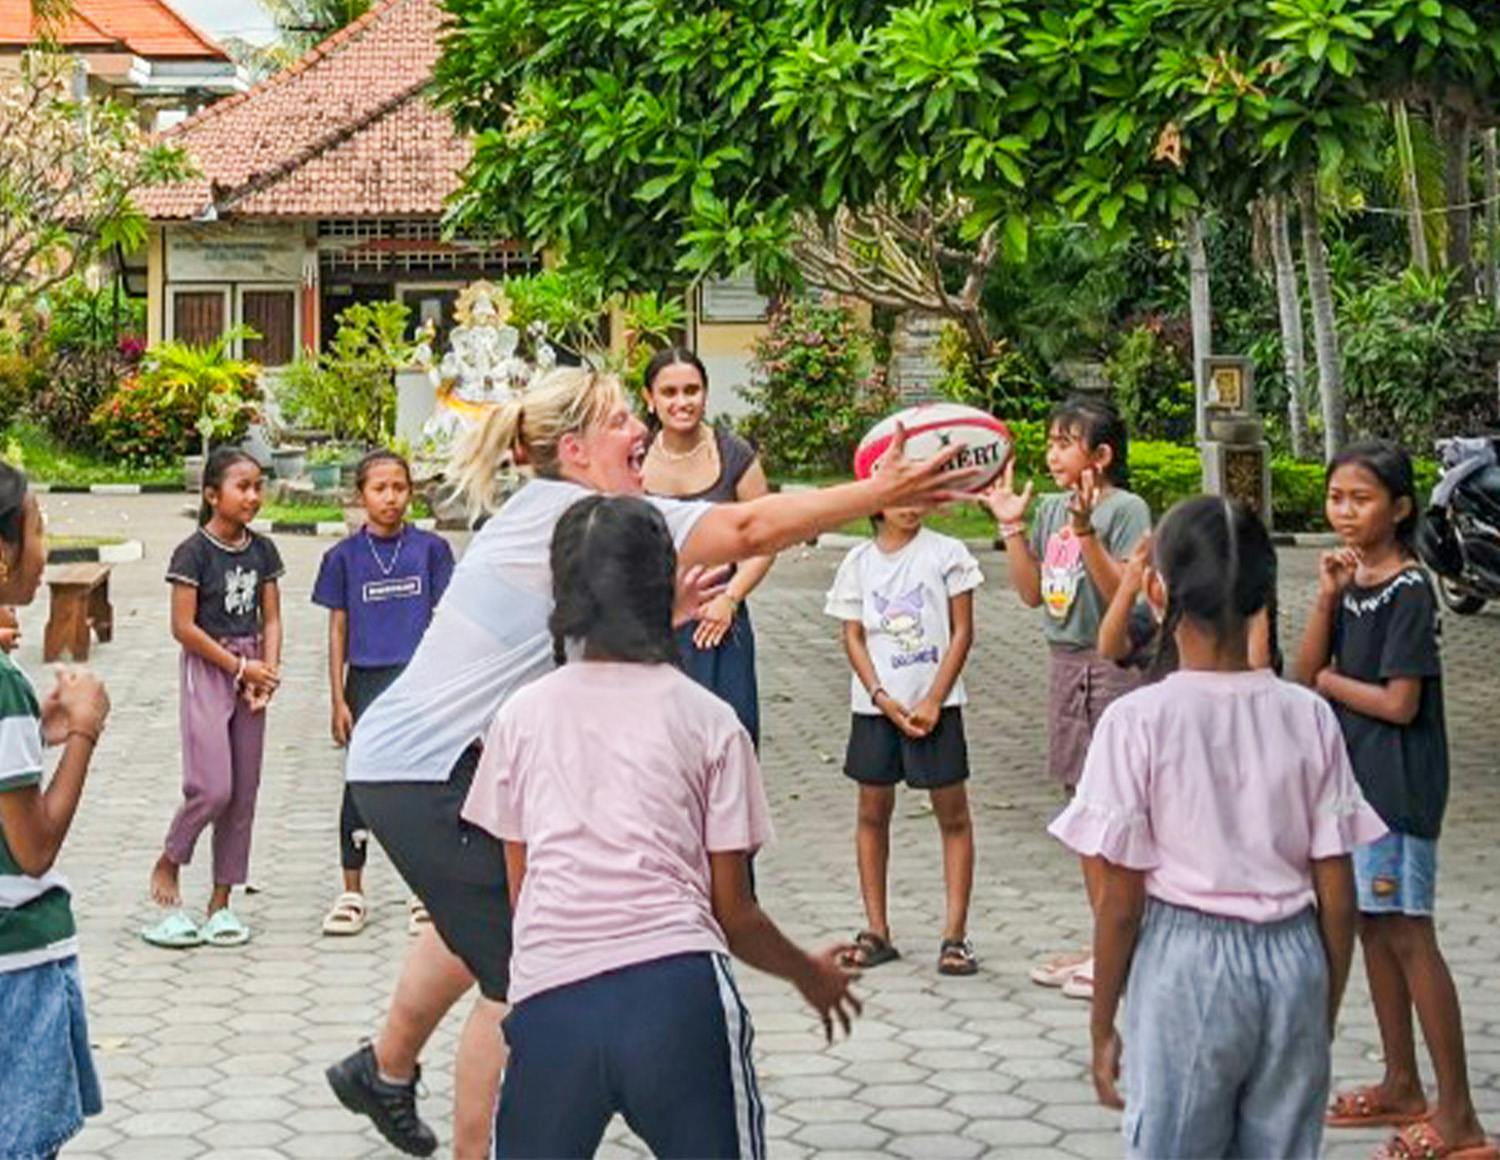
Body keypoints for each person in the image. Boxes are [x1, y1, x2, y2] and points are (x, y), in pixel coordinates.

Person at [325, 367, 975, 1159]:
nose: (640, 429)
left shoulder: (557, 520)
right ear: (576, 449)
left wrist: (654, 614)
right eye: (622, 417)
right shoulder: (576, 510)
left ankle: (385, 1069)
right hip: (426, 770)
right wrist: (877, 489)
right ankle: (463, 1137)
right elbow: (747, 530)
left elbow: (566, 638)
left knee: (484, 924)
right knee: (523, 975)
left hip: (407, 764)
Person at [463, 495, 861, 1158]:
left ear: (560, 590)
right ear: (663, 583)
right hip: (676, 996)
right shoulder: (708, 719)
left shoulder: (520, 717)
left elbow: (522, 893)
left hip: (550, 1000)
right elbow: (733, 912)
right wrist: (806, 973)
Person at [1052, 496, 1384, 1158]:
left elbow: (1119, 903)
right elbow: (1339, 892)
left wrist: (1102, 1023)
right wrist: (1319, 1007)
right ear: (1264, 593)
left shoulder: (1138, 721)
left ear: (1155, 588)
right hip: (1294, 955)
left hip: (1186, 964)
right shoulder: (1307, 715)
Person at [1297, 441, 1495, 1160]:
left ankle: (1460, 1116)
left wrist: (1328, 683)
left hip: (1398, 788)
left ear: (1401, 507)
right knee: (1375, 931)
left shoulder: (1408, 589)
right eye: (1336, 498)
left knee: (1409, 934)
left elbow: (1400, 702)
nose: (1345, 512)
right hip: (1358, 788)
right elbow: (1302, 664)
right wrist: (1324, 597)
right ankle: (1401, 1082)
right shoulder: (1352, 582)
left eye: (1362, 498)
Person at [983, 397, 1150, 999]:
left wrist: (1085, 533)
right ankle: (1103, 940)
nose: (1051, 453)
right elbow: (1031, 595)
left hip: (1112, 665)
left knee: (1113, 808)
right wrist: (1011, 528)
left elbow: (1122, 599)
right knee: (1082, 803)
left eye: (1065, 443)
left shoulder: (1127, 511)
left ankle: (1122, 948)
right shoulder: (1050, 508)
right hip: (1064, 663)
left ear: (1101, 456)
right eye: (1050, 442)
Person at [0, 461, 113, 1159]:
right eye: (39, 530)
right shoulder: (4, 684)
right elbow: (33, 845)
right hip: (17, 964)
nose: (46, 548)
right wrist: (83, 733)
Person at [825, 504, 981, 975]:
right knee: (872, 813)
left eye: (921, 494)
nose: (911, 507)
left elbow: (962, 631)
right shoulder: (858, 562)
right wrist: (880, 695)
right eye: (900, 494)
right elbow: (852, 636)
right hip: (876, 709)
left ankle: (955, 937)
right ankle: (878, 930)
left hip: (937, 706)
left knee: (952, 814)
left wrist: (934, 697)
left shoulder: (947, 554)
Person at [144, 447, 283, 949]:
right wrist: (239, 666)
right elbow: (183, 627)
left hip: (250, 670)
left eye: (257, 486)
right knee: (211, 786)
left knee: (243, 792)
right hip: (209, 668)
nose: (253, 495)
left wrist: (266, 674)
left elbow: (270, 617)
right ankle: (171, 856)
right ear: (211, 494)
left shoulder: (262, 550)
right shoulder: (193, 553)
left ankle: (221, 903)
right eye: (242, 486)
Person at [313, 450, 456, 937]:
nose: (390, 498)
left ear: (411, 493)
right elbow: (337, 630)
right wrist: (338, 698)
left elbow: (447, 620)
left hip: (418, 681)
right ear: (361, 496)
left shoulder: (432, 551)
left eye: (399, 488)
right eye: (380, 489)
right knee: (360, 784)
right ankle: (352, 892)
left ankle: (425, 893)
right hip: (367, 680)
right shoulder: (343, 558)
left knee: (422, 784)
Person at [643, 348, 771, 745]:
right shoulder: (634, 456)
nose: (682, 402)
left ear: (706, 393)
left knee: (730, 741)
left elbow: (764, 540)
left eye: (692, 390)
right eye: (669, 392)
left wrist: (729, 600)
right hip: (651, 625)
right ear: (650, 398)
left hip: (718, 624)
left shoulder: (735, 455)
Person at [1098, 535, 1282, 677]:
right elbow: (1110, 648)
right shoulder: (1168, 602)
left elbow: (1259, 666)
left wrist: (1258, 588)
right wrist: (1129, 586)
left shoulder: (1245, 606)